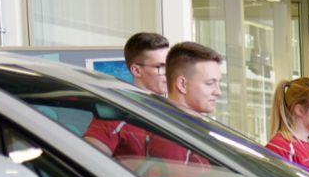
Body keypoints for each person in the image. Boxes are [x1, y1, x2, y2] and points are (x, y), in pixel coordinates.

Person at [83, 41, 223, 168]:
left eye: (165, 66)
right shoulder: (170, 133)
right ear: (182, 84)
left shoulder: (193, 126)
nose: (218, 92)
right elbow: (89, 162)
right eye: (159, 67)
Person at [124, 32, 170, 97]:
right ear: (136, 70)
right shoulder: (127, 105)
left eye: (169, 65)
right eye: (160, 66)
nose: (169, 72)